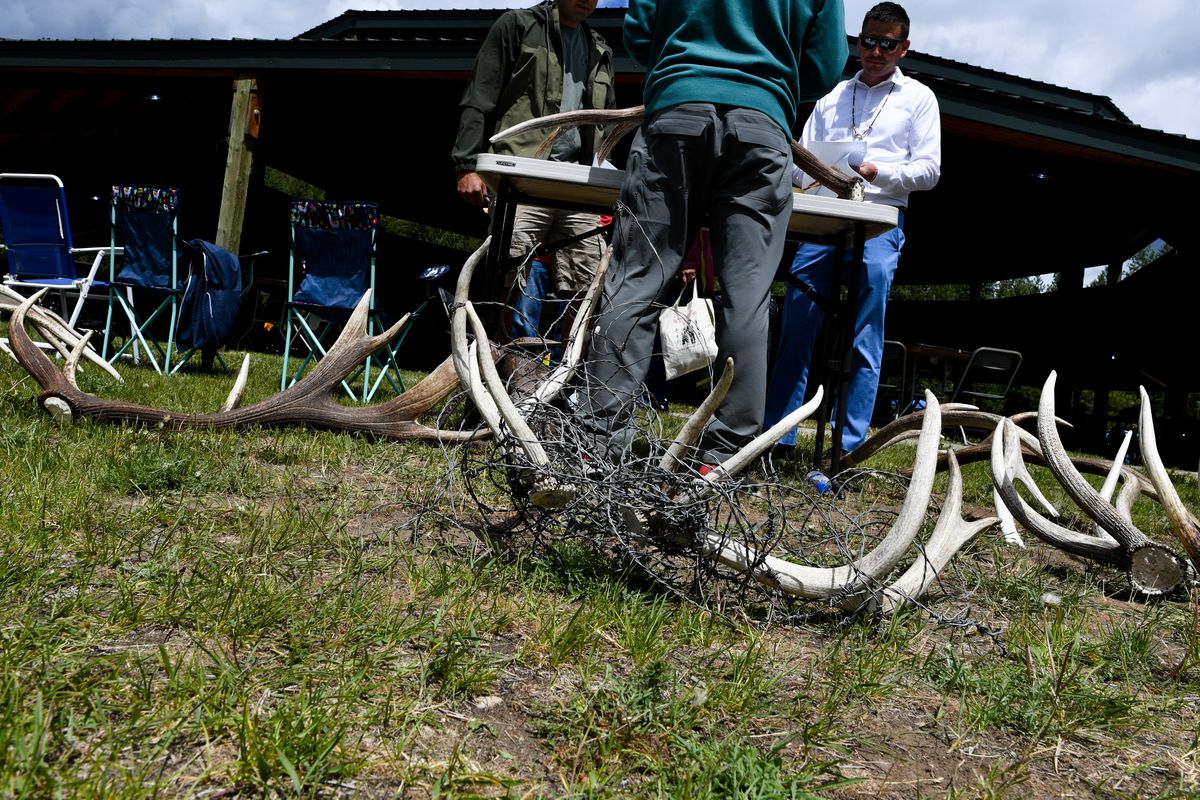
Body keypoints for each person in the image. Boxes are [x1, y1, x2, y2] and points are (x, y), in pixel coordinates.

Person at [575, 0, 847, 469]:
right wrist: (767, 72)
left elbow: (640, 35)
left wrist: (692, 62)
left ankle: (597, 445)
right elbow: (824, 66)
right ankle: (722, 458)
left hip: (676, 111)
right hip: (762, 125)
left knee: (637, 280)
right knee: (747, 294)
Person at [763, 2, 941, 466]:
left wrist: (876, 171)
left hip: (880, 219)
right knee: (797, 322)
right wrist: (807, 179)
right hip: (824, 217)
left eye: (887, 43)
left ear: (904, 47)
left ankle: (847, 447)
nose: (876, 51)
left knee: (866, 330)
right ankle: (777, 438)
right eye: (868, 41)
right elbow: (800, 162)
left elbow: (929, 170)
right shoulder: (831, 96)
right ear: (856, 41)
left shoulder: (919, 98)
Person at [450, 0, 616, 341]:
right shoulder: (518, 26)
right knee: (506, 270)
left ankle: (566, 379)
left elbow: (608, 123)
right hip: (523, 174)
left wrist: (606, 175)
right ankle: (496, 359)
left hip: (577, 180)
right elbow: (480, 96)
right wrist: (467, 164)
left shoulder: (599, 47)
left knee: (590, 280)